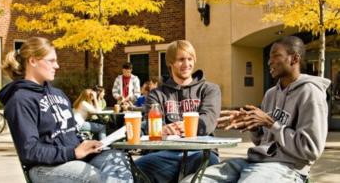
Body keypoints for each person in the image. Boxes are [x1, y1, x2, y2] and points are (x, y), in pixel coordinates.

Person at [185, 36, 330, 183]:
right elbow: (263, 142)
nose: (269, 62)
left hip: (288, 168)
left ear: (294, 59)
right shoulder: (271, 94)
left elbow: (311, 150)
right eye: (269, 57)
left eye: (276, 56)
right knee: (193, 180)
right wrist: (253, 127)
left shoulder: (311, 93)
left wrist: (271, 123)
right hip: (254, 162)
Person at [0, 37, 133, 183]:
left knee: (119, 159)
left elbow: (70, 133)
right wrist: (73, 152)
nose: (57, 66)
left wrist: (86, 144)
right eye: (51, 61)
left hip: (73, 156)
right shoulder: (20, 100)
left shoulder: (58, 93)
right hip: (45, 167)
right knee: (94, 177)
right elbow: (29, 151)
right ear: (33, 61)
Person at [135, 40, 222, 183]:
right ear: (170, 63)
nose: (187, 64)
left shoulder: (209, 89)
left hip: (200, 152)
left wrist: (190, 127)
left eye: (190, 59)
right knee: (136, 168)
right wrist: (163, 129)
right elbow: (153, 127)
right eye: (181, 60)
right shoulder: (156, 94)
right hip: (164, 153)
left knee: (209, 164)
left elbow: (209, 120)